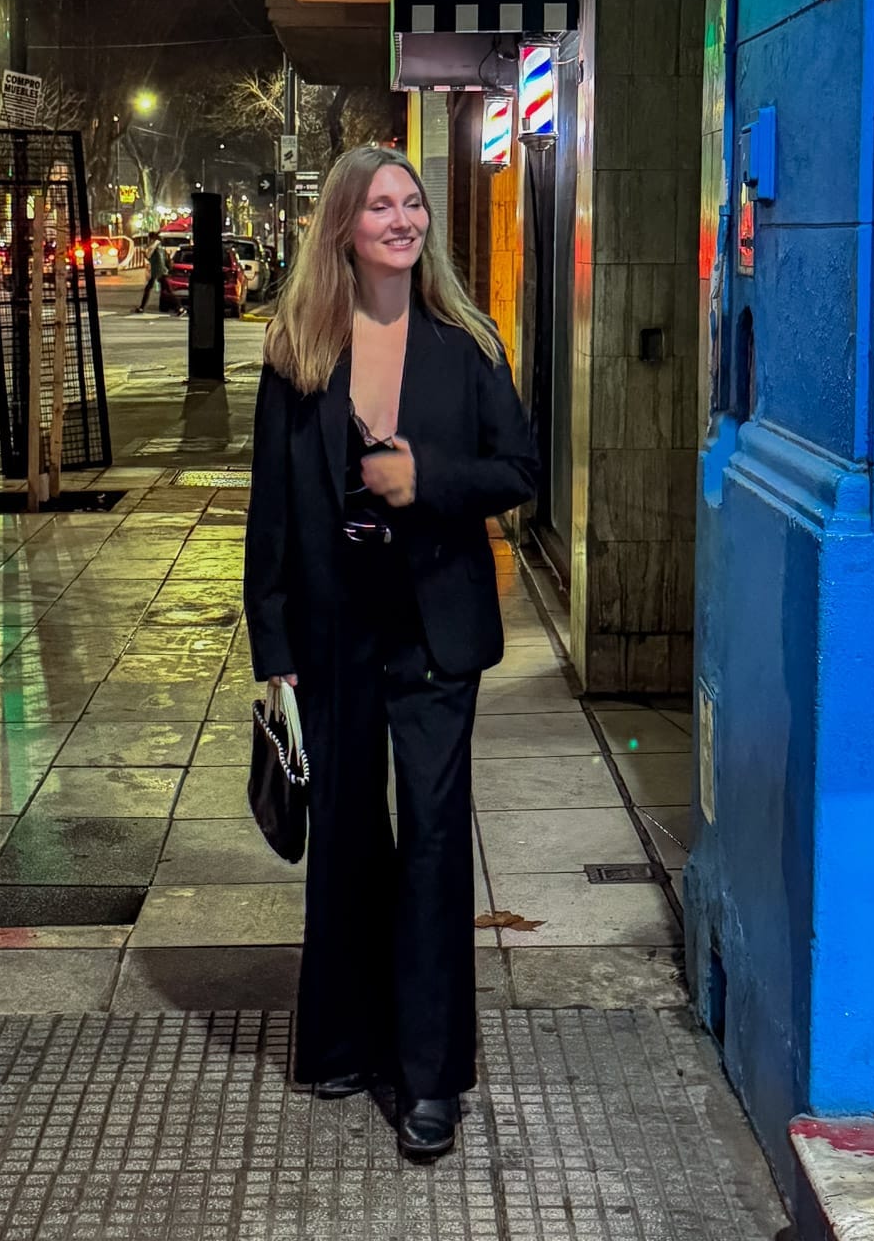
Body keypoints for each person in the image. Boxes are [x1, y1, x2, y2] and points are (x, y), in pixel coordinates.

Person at [244, 144, 536, 1161]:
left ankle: (431, 1077)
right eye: (382, 205)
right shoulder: (297, 350)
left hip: (434, 632)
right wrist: (270, 644)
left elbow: (520, 465)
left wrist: (431, 478)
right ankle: (343, 1040)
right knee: (350, 841)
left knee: (434, 844)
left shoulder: (465, 341)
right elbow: (271, 512)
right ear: (343, 228)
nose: (404, 219)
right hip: (333, 634)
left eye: (413, 203)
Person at [134, 235, 169, 313]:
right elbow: (153, 259)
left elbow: (154, 259)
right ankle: (142, 307)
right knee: (163, 290)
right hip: (158, 271)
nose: (149, 241)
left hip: (158, 271)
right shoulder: (159, 247)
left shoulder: (155, 246)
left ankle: (179, 307)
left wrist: (145, 254)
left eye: (149, 239)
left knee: (166, 291)